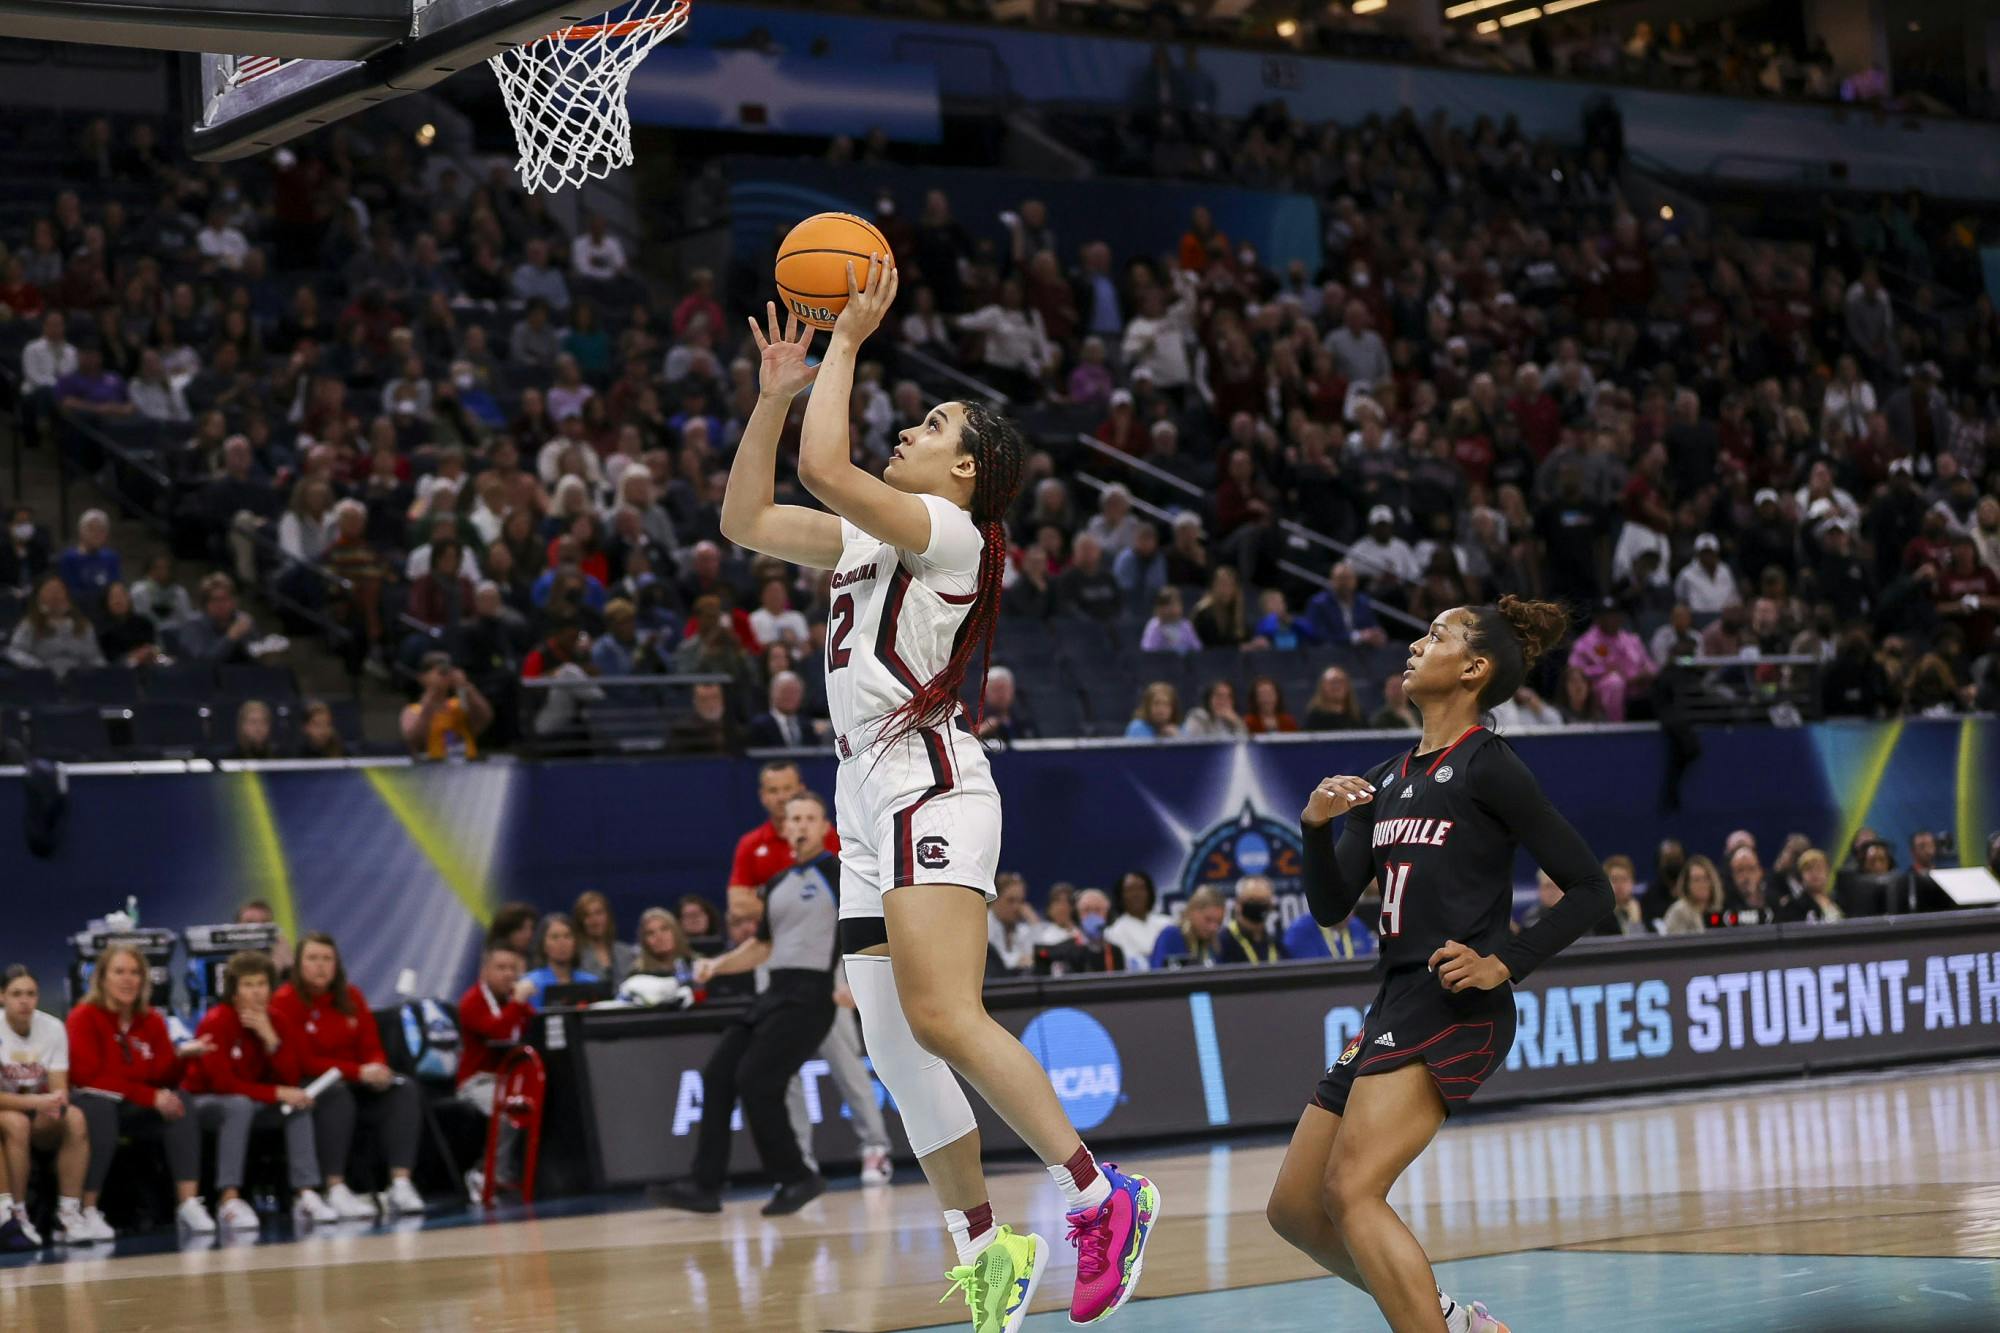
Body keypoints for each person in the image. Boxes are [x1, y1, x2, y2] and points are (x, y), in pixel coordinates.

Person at [722, 280, 1154, 1329]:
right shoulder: (873, 539)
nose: (908, 432)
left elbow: (828, 468)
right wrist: (773, 397)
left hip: (927, 778)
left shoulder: (950, 534)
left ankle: (1102, 1196)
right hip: (863, 790)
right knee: (891, 1037)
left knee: (941, 1014)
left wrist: (846, 345)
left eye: (930, 426)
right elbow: (742, 518)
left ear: (966, 468)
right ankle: (982, 1242)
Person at [1267, 596, 1613, 1333]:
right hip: (1392, 1004)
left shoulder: (1491, 765)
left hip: (1452, 1004)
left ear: (1474, 668)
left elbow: (1591, 889)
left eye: (1437, 635)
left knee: (1353, 1188)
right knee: (1295, 1208)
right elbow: (1331, 905)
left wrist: (1505, 962)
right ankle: (1454, 1321)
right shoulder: (1386, 777)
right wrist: (1314, 829)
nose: (1417, 645)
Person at [662, 791, 841, 1217]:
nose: (799, 825)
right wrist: (716, 966)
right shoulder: (778, 882)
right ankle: (704, 1184)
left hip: (812, 995)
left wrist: (852, 981)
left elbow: (862, 930)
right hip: (774, 992)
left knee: (758, 1081)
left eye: (809, 818)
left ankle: (797, 1177)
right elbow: (762, 946)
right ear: (784, 828)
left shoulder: (840, 874)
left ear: (824, 826)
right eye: (793, 819)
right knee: (719, 1075)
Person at [272, 932, 427, 1220]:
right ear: (298, 965)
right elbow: (305, 1061)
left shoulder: (351, 996)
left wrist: (378, 1067)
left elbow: (371, 1046)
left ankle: (400, 1183)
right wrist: (359, 1071)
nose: (320, 966)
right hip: (312, 1084)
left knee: (403, 1089)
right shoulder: (285, 1000)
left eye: (327, 959)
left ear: (337, 965)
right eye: (313, 959)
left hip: (358, 1080)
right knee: (337, 1094)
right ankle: (335, 1186)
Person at [66, 944, 218, 1237]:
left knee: (181, 1101)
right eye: (119, 972)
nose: (128, 979)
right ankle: (88, 1209)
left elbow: (161, 1076)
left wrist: (182, 1059)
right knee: (101, 1107)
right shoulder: (83, 1017)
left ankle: (188, 1203)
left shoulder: (152, 1021)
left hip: (136, 1107)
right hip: (94, 1104)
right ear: (102, 978)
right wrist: (150, 1096)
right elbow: (89, 1077)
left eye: (135, 973)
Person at [183, 951, 338, 1231]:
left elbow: (290, 1076)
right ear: (234, 991)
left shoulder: (277, 1020)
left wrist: (271, 1041)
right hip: (205, 1101)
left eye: (261, 984)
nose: (256, 993)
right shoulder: (217, 1020)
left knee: (299, 1101)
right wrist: (277, 1093)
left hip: (253, 1099)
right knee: (239, 1104)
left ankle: (306, 1193)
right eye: (248, 985)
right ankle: (228, 1200)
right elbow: (223, 1084)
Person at [0, 966, 92, 1249]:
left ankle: (68, 1214)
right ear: (2, 996)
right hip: (7, 1112)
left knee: (74, 1117)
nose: (24, 1001)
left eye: (31, 994)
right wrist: (36, 1102)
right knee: (16, 1123)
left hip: (37, 1112)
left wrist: (54, 1105)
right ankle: (16, 1214)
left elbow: (58, 1087)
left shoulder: (52, 1028)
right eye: (16, 994)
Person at [456, 943, 536, 1200]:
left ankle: (515, 1172)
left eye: (513, 968)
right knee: (507, 1107)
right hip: (476, 1082)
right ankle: (484, 1173)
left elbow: (534, 1028)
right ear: (484, 972)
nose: (509, 974)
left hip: (511, 1079)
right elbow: (498, 1032)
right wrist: (518, 1003)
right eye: (501, 968)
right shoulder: (471, 1001)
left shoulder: (514, 1002)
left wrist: (520, 1005)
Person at [728, 761, 841, 917]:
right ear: (762, 796)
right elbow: (738, 906)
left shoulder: (830, 837)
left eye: (787, 789)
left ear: (801, 789)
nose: (781, 797)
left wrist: (764, 897)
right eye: (773, 791)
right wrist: (805, 908)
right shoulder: (750, 844)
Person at [400, 652, 493, 761]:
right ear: (423, 677)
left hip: (465, 768)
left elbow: (485, 717)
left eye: (446, 672)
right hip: (431, 769)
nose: (444, 677)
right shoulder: (412, 711)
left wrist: (465, 687)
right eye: (439, 672)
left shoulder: (459, 706)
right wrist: (433, 694)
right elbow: (415, 740)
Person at [521, 913, 601, 1009]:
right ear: (543, 945)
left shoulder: (591, 983)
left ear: (575, 943)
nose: (562, 943)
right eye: (555, 937)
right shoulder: (530, 984)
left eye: (567, 936)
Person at [1104, 871, 1175, 970]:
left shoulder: (1169, 924)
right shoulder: (1113, 933)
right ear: (1121, 896)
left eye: (1141, 889)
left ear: (1150, 892)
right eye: (1130, 890)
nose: (1136, 894)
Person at [1149, 887, 1229, 968]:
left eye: (1219, 922)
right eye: (1208, 920)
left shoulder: (1214, 945)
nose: (1213, 927)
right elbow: (1158, 975)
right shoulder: (1171, 936)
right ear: (1193, 912)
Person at [573, 891, 637, 985]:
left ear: (608, 916)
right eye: (587, 915)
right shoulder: (575, 956)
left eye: (599, 913)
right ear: (580, 922)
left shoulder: (625, 952)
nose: (595, 920)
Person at [1218, 877, 1287, 964]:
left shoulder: (1275, 942)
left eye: (1262, 901)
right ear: (1238, 904)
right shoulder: (1222, 942)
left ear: (1270, 906)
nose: (1257, 905)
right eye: (1251, 900)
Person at [986, 873, 1039, 975]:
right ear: (995, 900)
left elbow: (1038, 953)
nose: (1017, 907)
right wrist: (1018, 961)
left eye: (1021, 901)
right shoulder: (984, 924)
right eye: (1011, 901)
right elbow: (995, 962)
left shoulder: (1021, 928)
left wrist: (1034, 922)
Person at [1662, 856, 1725, 935]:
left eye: (1706, 878)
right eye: (1696, 880)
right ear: (1687, 885)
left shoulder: (1719, 910)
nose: (1702, 884)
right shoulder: (1678, 912)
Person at [1182, 680, 1248, 739]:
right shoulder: (1198, 716)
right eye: (1219, 695)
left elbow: (1243, 746)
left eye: (1228, 697)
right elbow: (1188, 742)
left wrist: (1237, 722)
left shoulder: (1234, 720)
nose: (1223, 701)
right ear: (1209, 699)